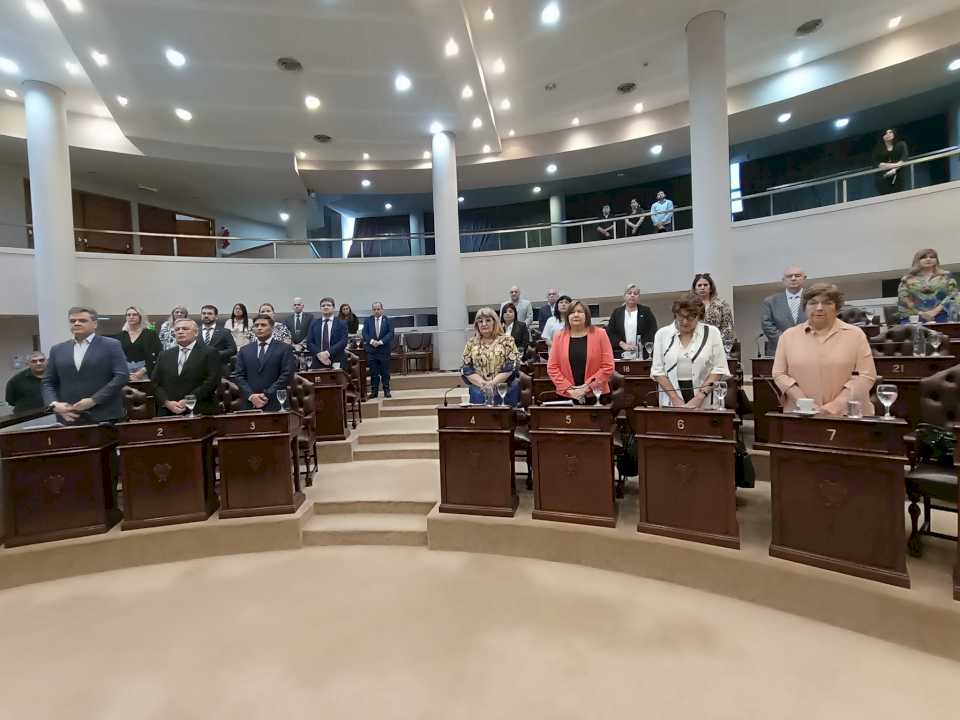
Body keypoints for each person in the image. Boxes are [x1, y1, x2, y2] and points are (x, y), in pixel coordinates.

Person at [773, 283, 877, 416]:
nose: (819, 308)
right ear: (805, 307)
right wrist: (803, 401)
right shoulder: (788, 336)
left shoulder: (855, 334)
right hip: (802, 415)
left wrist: (837, 404)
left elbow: (867, 375)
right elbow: (779, 374)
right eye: (813, 303)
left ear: (837, 308)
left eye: (827, 303)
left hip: (848, 415)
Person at [42, 306, 129, 424]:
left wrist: (94, 400)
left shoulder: (111, 345)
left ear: (95, 324)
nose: (76, 323)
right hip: (69, 416)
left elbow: (121, 376)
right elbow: (48, 382)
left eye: (82, 320)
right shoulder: (57, 349)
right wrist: (53, 404)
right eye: (73, 321)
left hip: (104, 416)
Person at [651, 294, 730, 408]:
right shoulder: (662, 334)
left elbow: (718, 368)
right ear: (675, 314)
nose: (684, 322)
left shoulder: (712, 333)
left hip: (705, 403)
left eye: (690, 317)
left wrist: (698, 398)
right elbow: (658, 371)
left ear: (699, 316)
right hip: (671, 404)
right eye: (681, 316)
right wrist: (675, 399)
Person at [547, 300, 615, 403]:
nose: (576, 315)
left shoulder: (600, 334)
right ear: (567, 316)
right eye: (572, 312)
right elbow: (552, 367)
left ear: (586, 315)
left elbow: (608, 366)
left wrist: (586, 388)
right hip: (567, 395)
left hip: (596, 395)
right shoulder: (558, 336)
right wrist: (570, 390)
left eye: (579, 311)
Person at [151, 318, 221, 416]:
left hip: (200, 410)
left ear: (196, 333)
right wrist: (166, 402)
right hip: (169, 411)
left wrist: (189, 400)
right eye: (177, 329)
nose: (180, 332)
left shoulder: (209, 352)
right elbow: (155, 383)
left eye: (185, 329)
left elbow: (213, 381)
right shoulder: (165, 355)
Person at [234, 314, 296, 412]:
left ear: (272, 327)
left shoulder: (284, 348)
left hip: (276, 402)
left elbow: (287, 374)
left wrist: (267, 395)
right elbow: (238, 375)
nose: (259, 328)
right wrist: (251, 396)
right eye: (256, 325)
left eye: (263, 325)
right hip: (250, 404)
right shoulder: (244, 350)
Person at [461, 307, 520, 406]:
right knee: (481, 420)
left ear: (495, 322)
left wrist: (493, 383)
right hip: (478, 390)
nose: (484, 324)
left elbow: (512, 365)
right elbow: (466, 368)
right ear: (477, 325)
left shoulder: (507, 340)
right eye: (480, 321)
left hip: (504, 389)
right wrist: (483, 384)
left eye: (488, 320)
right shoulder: (471, 343)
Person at [897, 248, 958, 323]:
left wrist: (934, 312)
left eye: (932, 257)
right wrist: (922, 314)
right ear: (917, 260)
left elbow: (952, 295)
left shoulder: (946, 275)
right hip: (915, 317)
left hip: (943, 315)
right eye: (924, 257)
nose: (928, 259)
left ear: (936, 260)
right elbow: (903, 299)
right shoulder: (906, 279)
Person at [760, 266, 807, 355]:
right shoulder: (770, 301)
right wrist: (786, 342)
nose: (793, 278)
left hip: (810, 349)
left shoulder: (813, 299)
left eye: (797, 276)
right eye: (789, 276)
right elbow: (767, 325)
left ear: (804, 278)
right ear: (783, 280)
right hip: (779, 351)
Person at [606, 284, 658, 359]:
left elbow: (652, 330)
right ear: (624, 296)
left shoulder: (646, 311)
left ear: (639, 297)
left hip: (642, 353)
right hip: (620, 353)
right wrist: (622, 344)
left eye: (635, 293)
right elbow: (610, 332)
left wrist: (640, 345)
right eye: (629, 293)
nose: (632, 295)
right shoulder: (617, 312)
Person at [118, 305, 162, 380]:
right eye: (128, 315)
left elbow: (159, 354)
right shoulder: (121, 335)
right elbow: (118, 355)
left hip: (145, 370)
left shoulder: (150, 334)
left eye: (134, 314)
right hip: (126, 371)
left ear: (140, 317)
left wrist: (143, 371)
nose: (131, 317)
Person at [692, 273, 735, 346]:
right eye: (699, 285)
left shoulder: (722, 305)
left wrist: (719, 346)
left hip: (717, 345)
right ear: (695, 289)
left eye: (705, 285)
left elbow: (728, 329)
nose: (702, 287)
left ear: (711, 288)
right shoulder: (689, 306)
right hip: (695, 347)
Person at [362, 301, 394, 398]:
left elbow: (390, 334)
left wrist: (380, 342)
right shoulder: (368, 320)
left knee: (385, 372)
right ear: (372, 310)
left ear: (382, 310)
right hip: (372, 351)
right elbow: (364, 333)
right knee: (373, 372)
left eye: (378, 309)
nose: (376, 311)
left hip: (384, 350)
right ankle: (374, 391)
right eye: (374, 309)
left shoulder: (388, 320)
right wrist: (372, 341)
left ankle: (386, 390)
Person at [307, 296, 348, 369]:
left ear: (333, 308)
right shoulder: (314, 323)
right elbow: (309, 342)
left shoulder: (341, 323)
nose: (325, 307)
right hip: (318, 360)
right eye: (323, 306)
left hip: (337, 359)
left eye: (328, 305)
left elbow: (343, 341)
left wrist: (327, 353)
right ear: (320, 308)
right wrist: (319, 354)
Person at [198, 304, 238, 369]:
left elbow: (233, 350)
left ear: (216, 316)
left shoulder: (225, 332)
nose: (206, 315)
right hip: (198, 367)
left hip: (219, 366)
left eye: (210, 313)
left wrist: (216, 354)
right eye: (204, 313)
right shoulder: (194, 332)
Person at [872, 128, 909, 195]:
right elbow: (879, 165)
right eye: (886, 133)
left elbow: (904, 159)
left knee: (899, 195)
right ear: (882, 137)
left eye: (890, 132)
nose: (888, 134)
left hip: (899, 176)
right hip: (883, 178)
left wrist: (894, 169)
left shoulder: (901, 144)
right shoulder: (877, 149)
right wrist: (896, 165)